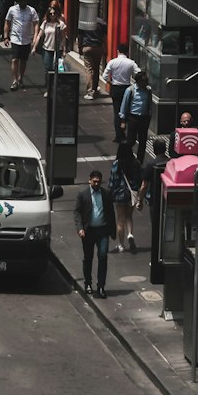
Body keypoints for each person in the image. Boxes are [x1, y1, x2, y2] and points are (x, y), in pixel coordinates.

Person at [74, 169, 117, 298]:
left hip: (102, 230)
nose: (97, 184)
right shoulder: (83, 195)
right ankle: (88, 283)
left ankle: (101, 286)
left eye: (98, 182)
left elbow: (111, 212)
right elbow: (77, 212)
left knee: (103, 257)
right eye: (94, 182)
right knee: (88, 258)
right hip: (88, 231)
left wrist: (112, 230)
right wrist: (80, 228)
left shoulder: (107, 194)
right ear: (90, 180)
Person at [101, 42, 140, 141]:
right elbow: (139, 73)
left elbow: (105, 76)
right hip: (127, 88)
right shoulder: (131, 63)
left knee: (117, 111)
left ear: (118, 51)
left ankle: (119, 134)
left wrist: (110, 82)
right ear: (127, 52)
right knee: (127, 110)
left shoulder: (112, 62)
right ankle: (127, 131)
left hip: (115, 88)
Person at [3, 0, 39, 92]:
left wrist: (35, 37)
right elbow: (7, 22)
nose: (21, 3)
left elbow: (36, 23)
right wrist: (6, 36)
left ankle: (21, 78)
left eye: (23, 1)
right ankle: (14, 80)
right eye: (19, 1)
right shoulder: (12, 10)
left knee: (23, 60)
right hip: (15, 38)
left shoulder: (31, 11)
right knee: (15, 59)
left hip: (26, 39)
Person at [110, 148, 140, 253]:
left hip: (119, 194)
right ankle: (130, 234)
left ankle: (121, 245)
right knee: (129, 216)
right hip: (131, 194)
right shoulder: (135, 163)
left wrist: (111, 193)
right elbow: (138, 179)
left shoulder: (116, 165)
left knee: (120, 220)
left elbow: (112, 181)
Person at [33, 0, 67, 88]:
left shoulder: (60, 24)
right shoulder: (45, 23)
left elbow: (63, 38)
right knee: (48, 68)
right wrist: (34, 47)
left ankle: (55, 86)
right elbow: (40, 35)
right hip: (47, 48)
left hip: (57, 49)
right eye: (51, 14)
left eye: (54, 13)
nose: (52, 15)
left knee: (56, 69)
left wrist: (64, 50)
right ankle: (48, 86)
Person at [119, 70, 153, 159]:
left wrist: (149, 115)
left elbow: (149, 103)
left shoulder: (148, 90)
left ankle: (139, 161)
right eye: (144, 81)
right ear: (139, 81)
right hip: (133, 118)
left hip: (144, 118)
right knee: (130, 141)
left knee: (143, 141)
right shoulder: (130, 90)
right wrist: (123, 121)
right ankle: (128, 158)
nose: (146, 83)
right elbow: (124, 104)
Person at [79, 15, 107, 100]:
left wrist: (80, 48)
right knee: (96, 68)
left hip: (87, 47)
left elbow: (80, 36)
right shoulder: (101, 22)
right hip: (98, 47)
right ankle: (95, 88)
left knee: (89, 70)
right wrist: (104, 47)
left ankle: (90, 91)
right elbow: (104, 36)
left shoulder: (84, 22)